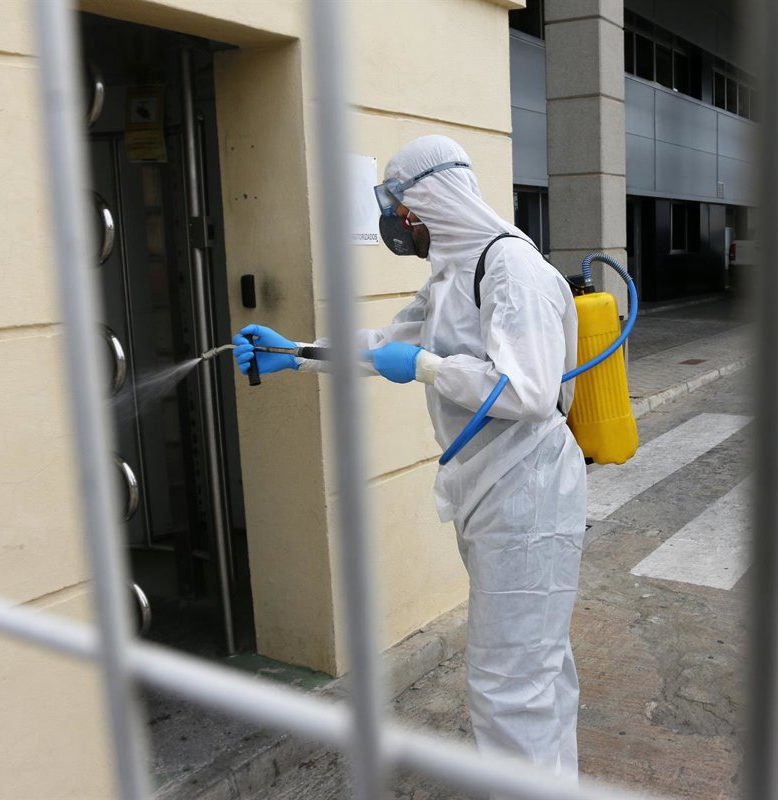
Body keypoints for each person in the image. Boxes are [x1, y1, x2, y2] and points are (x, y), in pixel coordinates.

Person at [232, 135, 586, 777]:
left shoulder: (510, 267)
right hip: (494, 486)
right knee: (535, 666)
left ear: (431, 201)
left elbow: (531, 391)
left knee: (509, 684)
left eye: (401, 209)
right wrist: (298, 353)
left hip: (527, 488)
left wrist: (427, 366)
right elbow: (385, 343)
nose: (397, 222)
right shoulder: (453, 274)